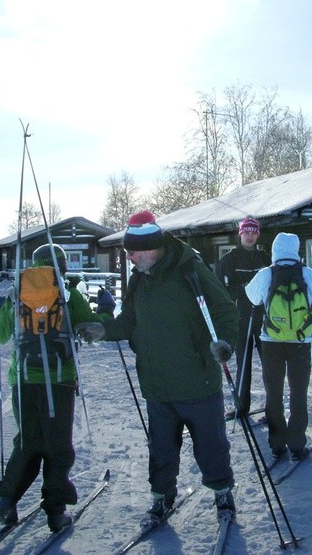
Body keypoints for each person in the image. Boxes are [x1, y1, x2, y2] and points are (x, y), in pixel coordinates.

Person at [80, 210, 239, 524]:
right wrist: (103, 330)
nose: (129, 257)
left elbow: (224, 311)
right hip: (157, 385)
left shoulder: (190, 270)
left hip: (197, 381)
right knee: (161, 449)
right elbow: (129, 320)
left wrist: (225, 343)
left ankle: (222, 491)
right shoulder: (139, 278)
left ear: (151, 248)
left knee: (211, 446)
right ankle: (161, 496)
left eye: (133, 251)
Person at [0, 243, 107, 532]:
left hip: (24, 380)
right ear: (62, 266)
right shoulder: (67, 293)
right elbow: (92, 329)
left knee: (28, 442)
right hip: (59, 380)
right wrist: (105, 310)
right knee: (58, 446)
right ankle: (55, 510)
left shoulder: (17, 293)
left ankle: (6, 500)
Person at [245, 233, 312, 460]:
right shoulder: (307, 274)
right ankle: (296, 444)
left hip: (271, 341)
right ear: (296, 250)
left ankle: (277, 444)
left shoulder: (266, 273)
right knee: (298, 392)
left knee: (273, 393)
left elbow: (252, 297)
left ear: (274, 250)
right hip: (300, 342)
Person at [217, 217, 271, 417]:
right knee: (244, 362)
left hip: (264, 318)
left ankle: (273, 406)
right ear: (240, 234)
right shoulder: (230, 259)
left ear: (258, 235)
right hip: (242, 317)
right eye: (246, 232)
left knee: (270, 363)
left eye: (253, 233)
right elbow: (224, 291)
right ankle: (241, 405)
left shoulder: (265, 258)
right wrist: (244, 288)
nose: (250, 236)